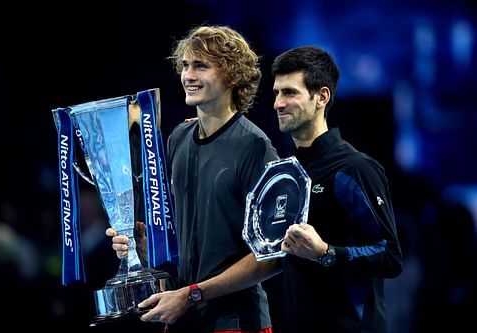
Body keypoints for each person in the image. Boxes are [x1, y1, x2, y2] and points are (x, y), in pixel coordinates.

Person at [106, 25, 280, 332]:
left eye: (201, 66)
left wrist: (193, 294)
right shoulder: (179, 138)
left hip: (237, 322)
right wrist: (148, 246)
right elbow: (187, 242)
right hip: (182, 317)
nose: (188, 75)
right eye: (185, 65)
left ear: (233, 76)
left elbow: (271, 258)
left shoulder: (255, 147)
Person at [272, 46, 403, 332]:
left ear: (321, 97)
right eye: (277, 93)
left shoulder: (354, 168)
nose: (278, 103)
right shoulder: (284, 173)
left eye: (290, 92)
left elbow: (390, 257)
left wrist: (326, 252)